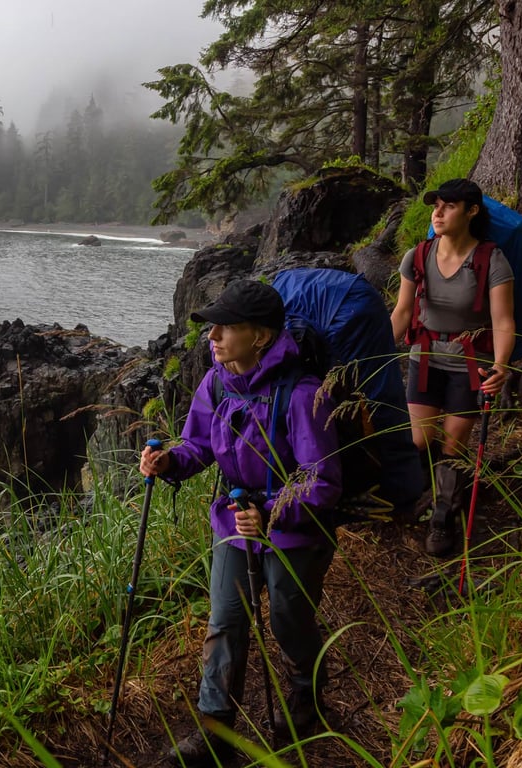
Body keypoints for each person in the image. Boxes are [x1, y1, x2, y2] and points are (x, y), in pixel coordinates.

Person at [139, 279, 342, 766]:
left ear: (263, 336)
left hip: (294, 528)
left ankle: (306, 696)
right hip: (234, 518)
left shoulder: (302, 395)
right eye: (214, 327)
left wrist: (273, 510)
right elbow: (198, 445)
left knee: (288, 619)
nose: (213, 336)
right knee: (226, 619)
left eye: (226, 327)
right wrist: (169, 462)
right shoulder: (218, 381)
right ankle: (215, 730)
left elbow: (323, 480)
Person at [389, 178, 515, 557]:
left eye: (449, 206)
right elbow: (403, 311)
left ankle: (443, 517)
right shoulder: (418, 255)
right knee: (419, 440)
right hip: (425, 356)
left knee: (453, 443)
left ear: (472, 211)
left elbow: (503, 321)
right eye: (436, 206)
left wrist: (500, 367)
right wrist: (373, 350)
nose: (438, 213)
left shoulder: (490, 259)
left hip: (469, 363)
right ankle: (424, 493)